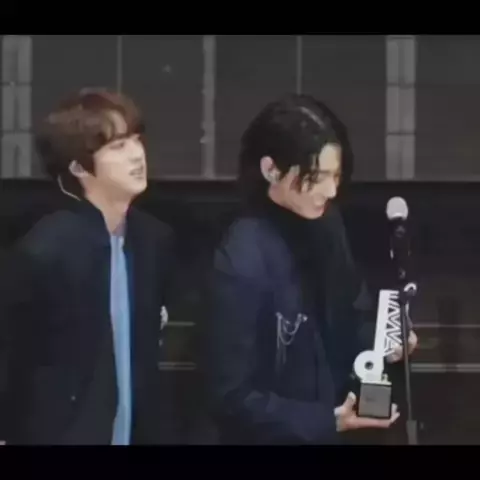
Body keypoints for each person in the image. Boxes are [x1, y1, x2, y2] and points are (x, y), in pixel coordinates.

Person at [203, 93, 417, 445]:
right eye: (317, 177)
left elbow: (352, 316)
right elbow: (231, 396)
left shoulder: (327, 225)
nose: (330, 190)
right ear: (271, 169)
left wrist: (387, 342)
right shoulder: (241, 255)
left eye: (336, 176)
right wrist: (325, 421)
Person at [0, 88, 177, 445]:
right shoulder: (46, 249)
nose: (136, 154)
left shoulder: (152, 239)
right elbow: (15, 359)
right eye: (117, 146)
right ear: (79, 167)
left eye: (135, 139)